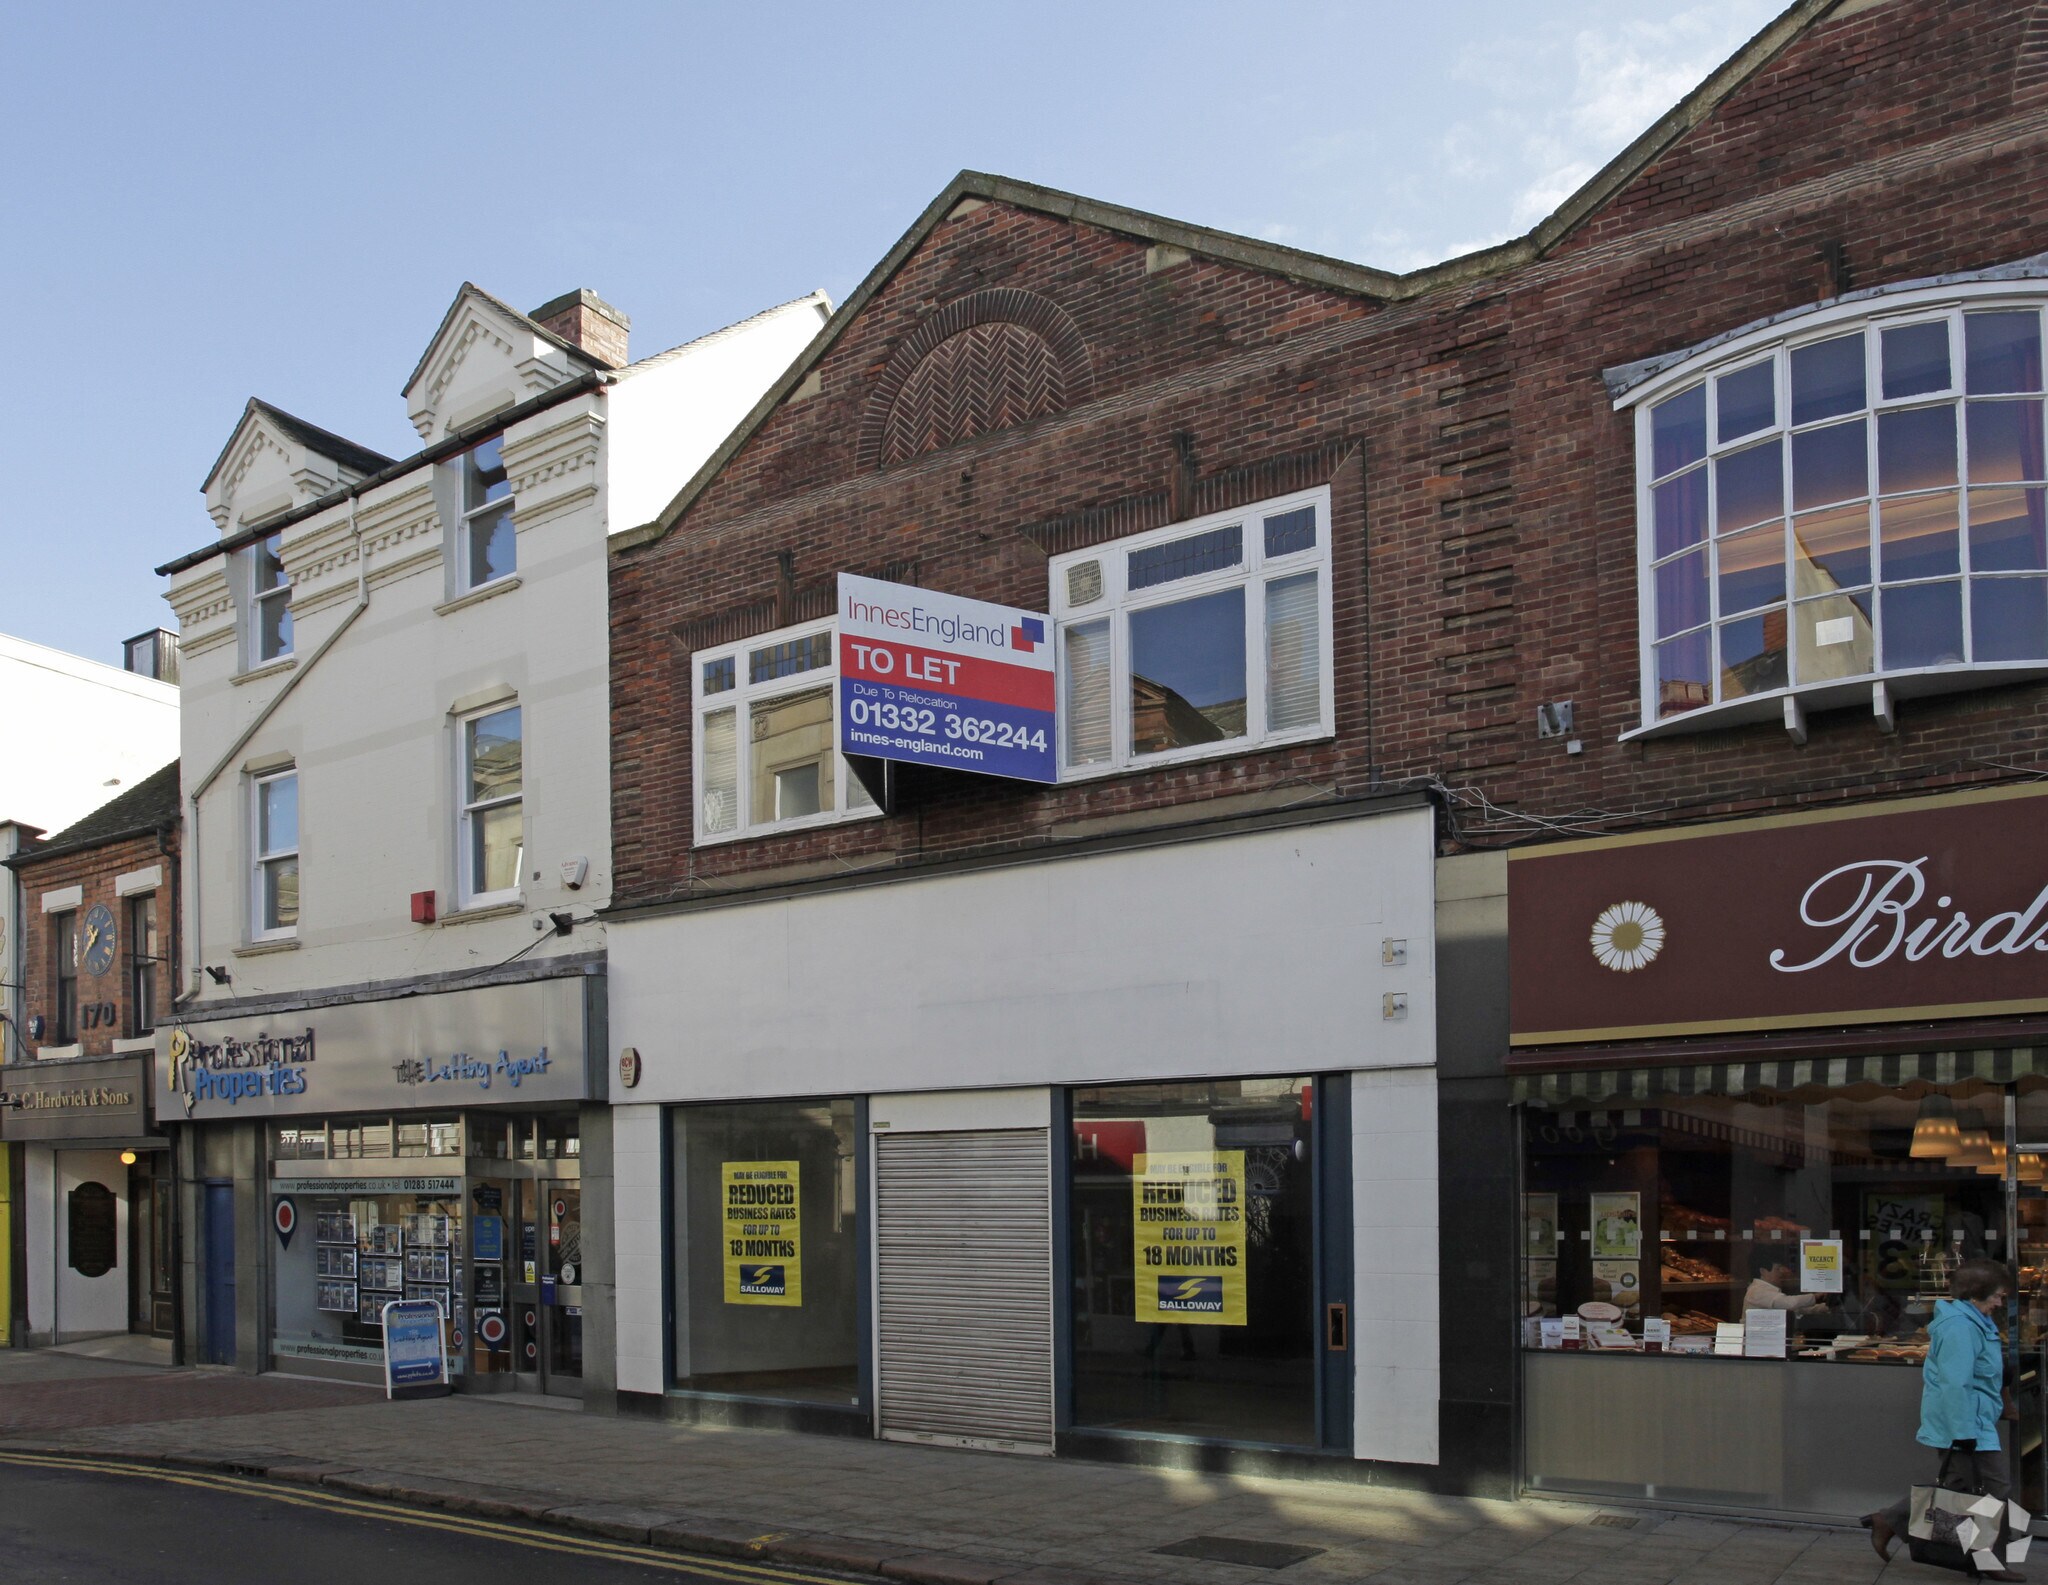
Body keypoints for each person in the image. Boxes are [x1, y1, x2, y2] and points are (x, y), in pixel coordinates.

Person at [1864, 1258, 2021, 1581]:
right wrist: (1963, 1432)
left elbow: (1980, 1374)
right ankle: (1989, 1560)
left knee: (1959, 1485)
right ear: (1978, 1294)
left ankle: (1889, 1521)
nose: (2000, 1302)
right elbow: (1956, 1383)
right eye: (1997, 1295)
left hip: (1973, 1421)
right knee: (1994, 1488)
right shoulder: (1960, 1328)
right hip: (1965, 1425)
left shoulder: (1976, 1321)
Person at [1745, 1257, 1821, 1316]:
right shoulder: (1757, 1290)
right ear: (1763, 1271)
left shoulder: (1768, 1290)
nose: (1781, 1272)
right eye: (1777, 1269)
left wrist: (1825, 1307)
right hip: (1757, 1335)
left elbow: (1797, 1309)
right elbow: (1789, 1303)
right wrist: (1816, 1296)